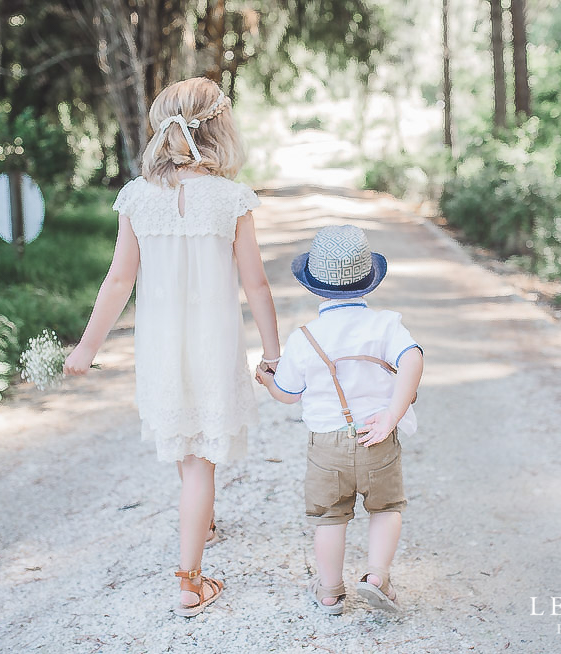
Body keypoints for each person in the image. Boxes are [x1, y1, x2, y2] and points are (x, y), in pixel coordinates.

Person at [63, 77, 281, 617]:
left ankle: (200, 518)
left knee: (189, 450)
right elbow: (256, 283)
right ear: (221, 131)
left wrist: (86, 348)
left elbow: (119, 281)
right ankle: (189, 579)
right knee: (201, 459)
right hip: (212, 348)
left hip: (161, 349)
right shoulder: (232, 199)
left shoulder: (139, 197)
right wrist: (272, 354)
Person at [257, 225, 423, 615]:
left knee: (330, 517)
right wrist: (390, 416)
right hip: (376, 436)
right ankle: (378, 576)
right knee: (385, 509)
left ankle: (330, 590)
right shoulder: (385, 325)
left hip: (326, 445)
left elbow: (287, 394)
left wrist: (266, 379)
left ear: (314, 286)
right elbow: (412, 358)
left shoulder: (305, 338)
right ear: (368, 282)